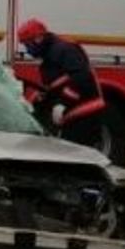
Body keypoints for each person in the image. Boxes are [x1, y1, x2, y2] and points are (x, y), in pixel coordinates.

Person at [15, 19, 109, 156]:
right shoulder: (51, 52)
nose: (28, 50)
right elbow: (58, 83)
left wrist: (63, 104)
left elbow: (81, 77)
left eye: (28, 44)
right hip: (74, 113)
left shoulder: (64, 49)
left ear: (39, 38)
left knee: (76, 157)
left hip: (85, 112)